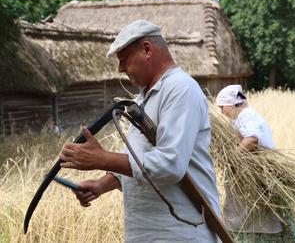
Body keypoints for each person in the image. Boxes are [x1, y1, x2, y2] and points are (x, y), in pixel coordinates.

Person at [59, 20, 220, 243]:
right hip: (147, 233)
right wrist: (101, 185)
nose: (120, 69)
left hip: (182, 234)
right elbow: (138, 158)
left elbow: (170, 164)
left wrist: (102, 159)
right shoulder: (142, 99)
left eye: (123, 59)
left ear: (147, 49)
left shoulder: (180, 89)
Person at [216, 84, 283, 240]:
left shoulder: (246, 115)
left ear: (233, 104)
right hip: (251, 178)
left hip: (255, 178)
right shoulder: (244, 116)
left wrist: (232, 157)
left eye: (222, 107)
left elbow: (252, 138)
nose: (222, 112)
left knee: (254, 220)